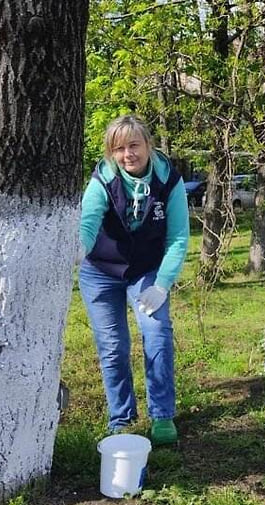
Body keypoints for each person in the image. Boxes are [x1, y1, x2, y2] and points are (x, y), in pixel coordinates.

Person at [78, 115, 190, 446]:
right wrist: (78, 247)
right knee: (113, 347)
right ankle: (122, 417)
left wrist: (162, 285)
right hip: (100, 271)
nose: (128, 154)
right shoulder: (102, 180)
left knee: (156, 332)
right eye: (119, 148)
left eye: (134, 145)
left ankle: (162, 415)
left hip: (147, 271)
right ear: (111, 153)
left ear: (147, 145)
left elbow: (179, 238)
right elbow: (88, 222)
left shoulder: (169, 181)